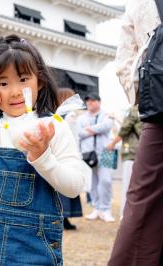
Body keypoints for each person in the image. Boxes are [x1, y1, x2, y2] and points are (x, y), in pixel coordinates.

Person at [0, 34, 84, 265]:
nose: (15, 91)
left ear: (40, 81)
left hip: (36, 249)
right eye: (3, 83)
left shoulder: (53, 126)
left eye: (24, 79)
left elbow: (74, 187)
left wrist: (43, 157)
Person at [109, 1, 163, 264]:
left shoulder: (142, 4)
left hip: (160, 112)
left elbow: (123, 61)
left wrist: (143, 98)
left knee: (143, 200)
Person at [77, 92, 114, 222]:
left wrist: (89, 129)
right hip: (88, 153)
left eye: (92, 101)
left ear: (99, 102)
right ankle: (97, 208)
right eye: (87, 101)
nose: (89, 103)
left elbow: (106, 126)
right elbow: (79, 133)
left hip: (107, 151)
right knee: (93, 182)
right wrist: (94, 129)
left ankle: (106, 209)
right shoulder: (81, 118)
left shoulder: (106, 115)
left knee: (106, 180)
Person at [106, 106, 142, 219]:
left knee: (128, 185)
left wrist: (112, 144)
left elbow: (124, 129)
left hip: (131, 152)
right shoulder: (150, 109)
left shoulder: (134, 110)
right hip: (143, 152)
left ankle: (125, 214)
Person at [57, 88, 83, 230]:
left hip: (58, 153)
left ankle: (62, 218)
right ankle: (64, 218)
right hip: (68, 153)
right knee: (67, 186)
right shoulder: (71, 115)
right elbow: (74, 136)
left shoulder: (57, 114)